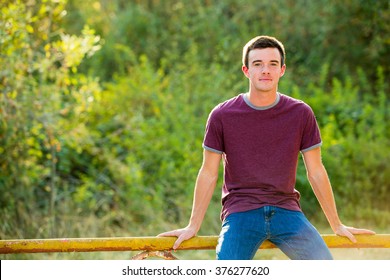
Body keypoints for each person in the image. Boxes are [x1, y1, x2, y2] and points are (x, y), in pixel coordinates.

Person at [158, 35, 375, 260]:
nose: (265, 70)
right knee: (229, 267)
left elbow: (316, 171)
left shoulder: (300, 113)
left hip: (287, 210)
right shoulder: (222, 115)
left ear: (282, 70)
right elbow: (208, 172)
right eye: (257, 64)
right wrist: (193, 225)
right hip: (241, 212)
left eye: (272, 64)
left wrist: (336, 224)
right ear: (246, 70)